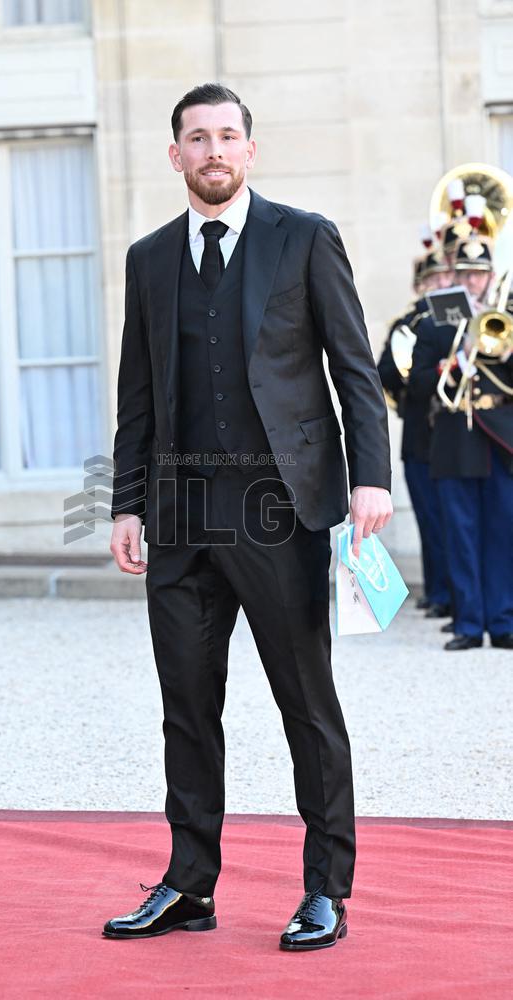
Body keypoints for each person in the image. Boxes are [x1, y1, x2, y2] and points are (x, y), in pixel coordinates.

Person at [105, 83, 393, 951]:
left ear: (249, 150)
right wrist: (125, 503)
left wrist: (371, 480)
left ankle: (326, 890)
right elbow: (137, 397)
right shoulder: (149, 258)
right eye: (198, 138)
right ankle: (190, 886)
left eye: (228, 136)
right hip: (181, 517)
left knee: (307, 707)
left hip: (281, 512)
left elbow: (354, 370)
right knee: (186, 709)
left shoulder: (304, 238)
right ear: (176, 156)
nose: (214, 151)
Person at [409, 235, 513, 650]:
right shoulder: (437, 320)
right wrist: (451, 363)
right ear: (457, 274)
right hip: (453, 438)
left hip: (499, 439)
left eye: (480, 274)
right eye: (467, 274)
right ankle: (469, 623)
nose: (473, 282)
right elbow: (416, 385)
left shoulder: (507, 316)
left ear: (490, 276)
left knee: (503, 532)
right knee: (461, 535)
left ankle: (503, 620)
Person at [378, 249, 453, 619]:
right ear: (418, 285)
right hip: (421, 434)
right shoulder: (407, 323)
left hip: (459, 435)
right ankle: (440, 590)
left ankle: (464, 594)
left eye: (444, 278)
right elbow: (385, 375)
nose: (438, 285)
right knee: (430, 518)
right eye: (431, 280)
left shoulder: (464, 321)